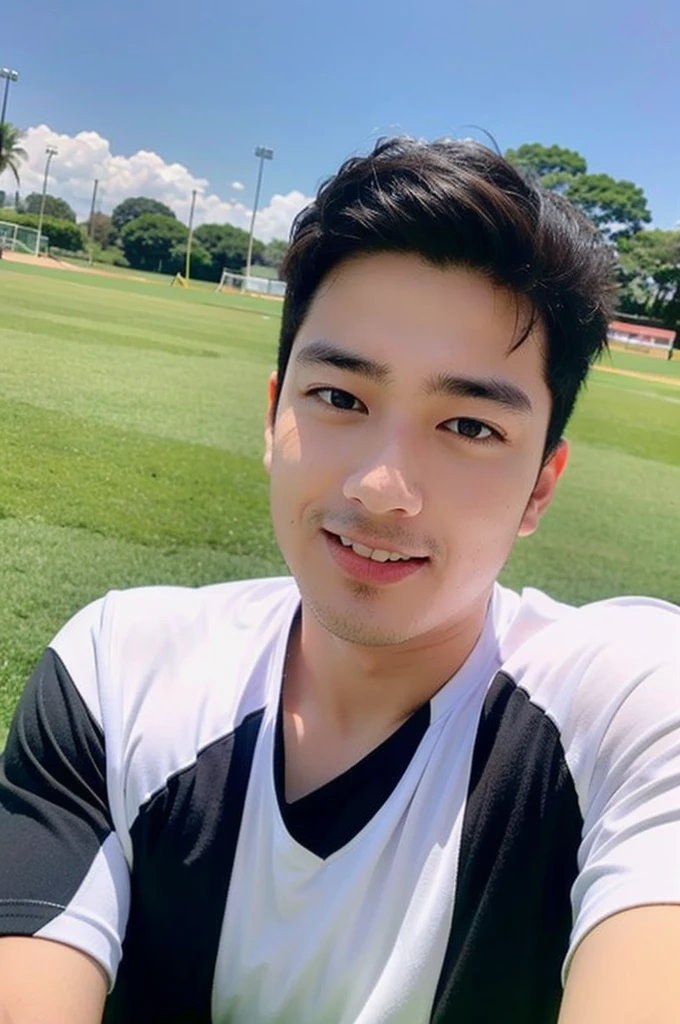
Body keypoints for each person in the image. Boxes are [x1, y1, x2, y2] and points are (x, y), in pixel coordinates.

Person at [0, 137, 679, 1024]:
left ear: (540, 488)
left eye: (470, 427)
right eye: (342, 399)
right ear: (274, 414)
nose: (381, 489)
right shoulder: (118, 675)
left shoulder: (629, 708)